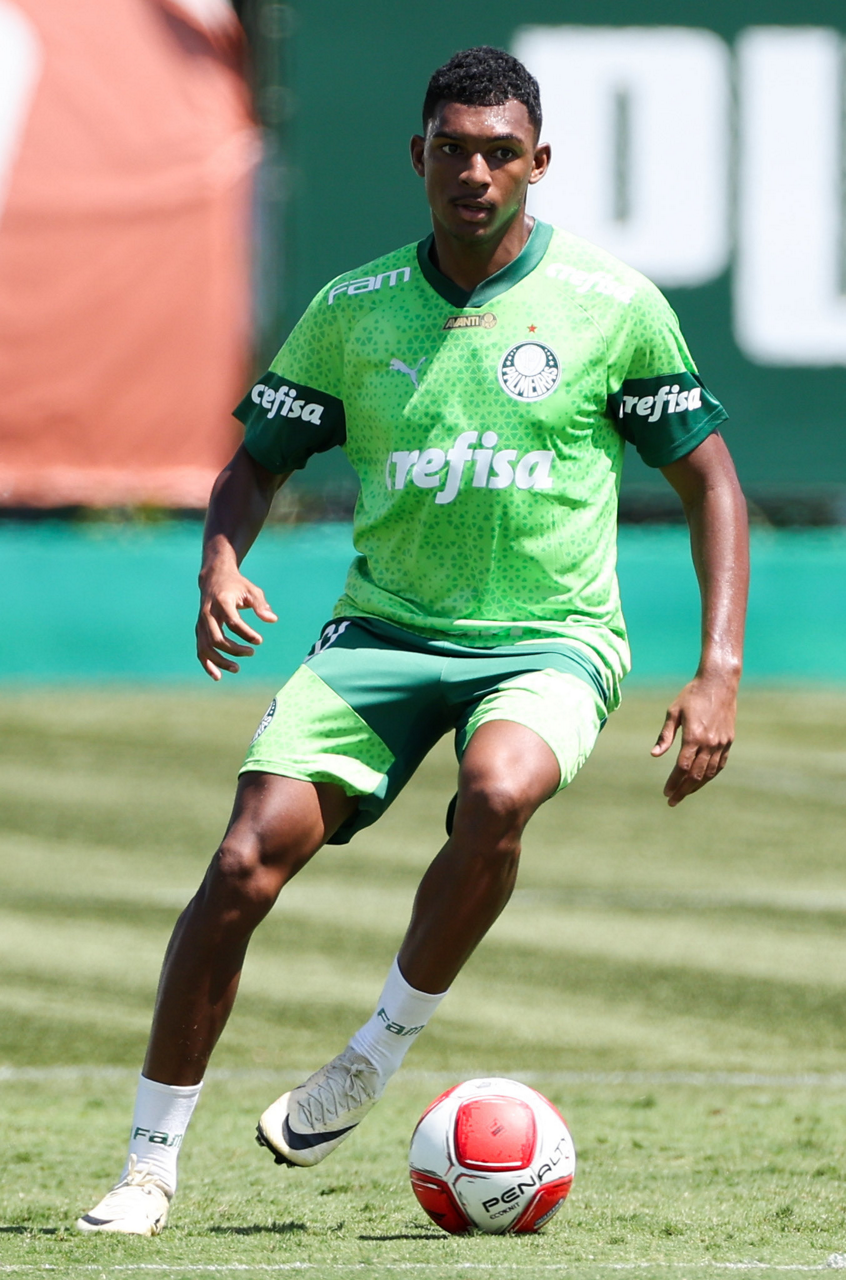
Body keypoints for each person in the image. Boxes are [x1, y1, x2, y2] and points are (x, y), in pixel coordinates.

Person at [77, 46, 748, 1236]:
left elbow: (712, 481)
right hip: (382, 631)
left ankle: (372, 1054)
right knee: (242, 861)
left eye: (500, 152)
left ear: (540, 163)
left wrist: (718, 668)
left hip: (550, 636)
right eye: (453, 150)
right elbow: (254, 464)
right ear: (418, 156)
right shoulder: (353, 309)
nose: (475, 173)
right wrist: (220, 559)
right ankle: (146, 1165)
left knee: (498, 791)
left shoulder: (611, 306)